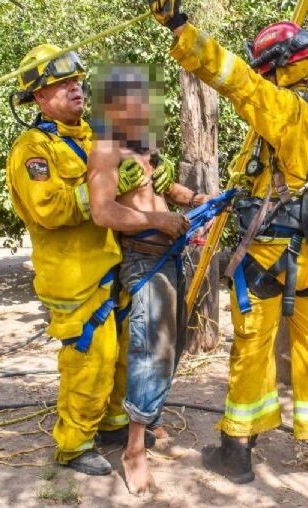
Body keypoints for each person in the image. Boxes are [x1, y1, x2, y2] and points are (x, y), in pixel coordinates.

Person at [147, 0, 308, 484]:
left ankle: (237, 453)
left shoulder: (284, 109)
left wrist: (181, 28)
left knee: (252, 352)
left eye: (266, 70)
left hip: (268, 258)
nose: (260, 78)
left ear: (278, 68)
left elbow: (234, 78)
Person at [6, 45, 148, 475]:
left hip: (110, 263)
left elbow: (132, 173)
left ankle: (112, 424)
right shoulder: (33, 150)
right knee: (91, 358)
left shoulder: (93, 136)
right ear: (38, 97)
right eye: (61, 84)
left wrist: (149, 172)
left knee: (123, 350)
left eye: (77, 82)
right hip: (72, 275)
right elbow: (48, 209)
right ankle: (73, 444)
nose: (75, 89)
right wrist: (100, 192)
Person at [87, 65, 208, 495]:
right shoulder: (105, 150)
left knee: (172, 347)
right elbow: (103, 212)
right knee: (150, 348)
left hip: (170, 255)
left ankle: (148, 421)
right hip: (142, 259)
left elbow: (164, 186)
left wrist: (197, 201)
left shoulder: (143, 146)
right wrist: (158, 220)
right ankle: (133, 448)